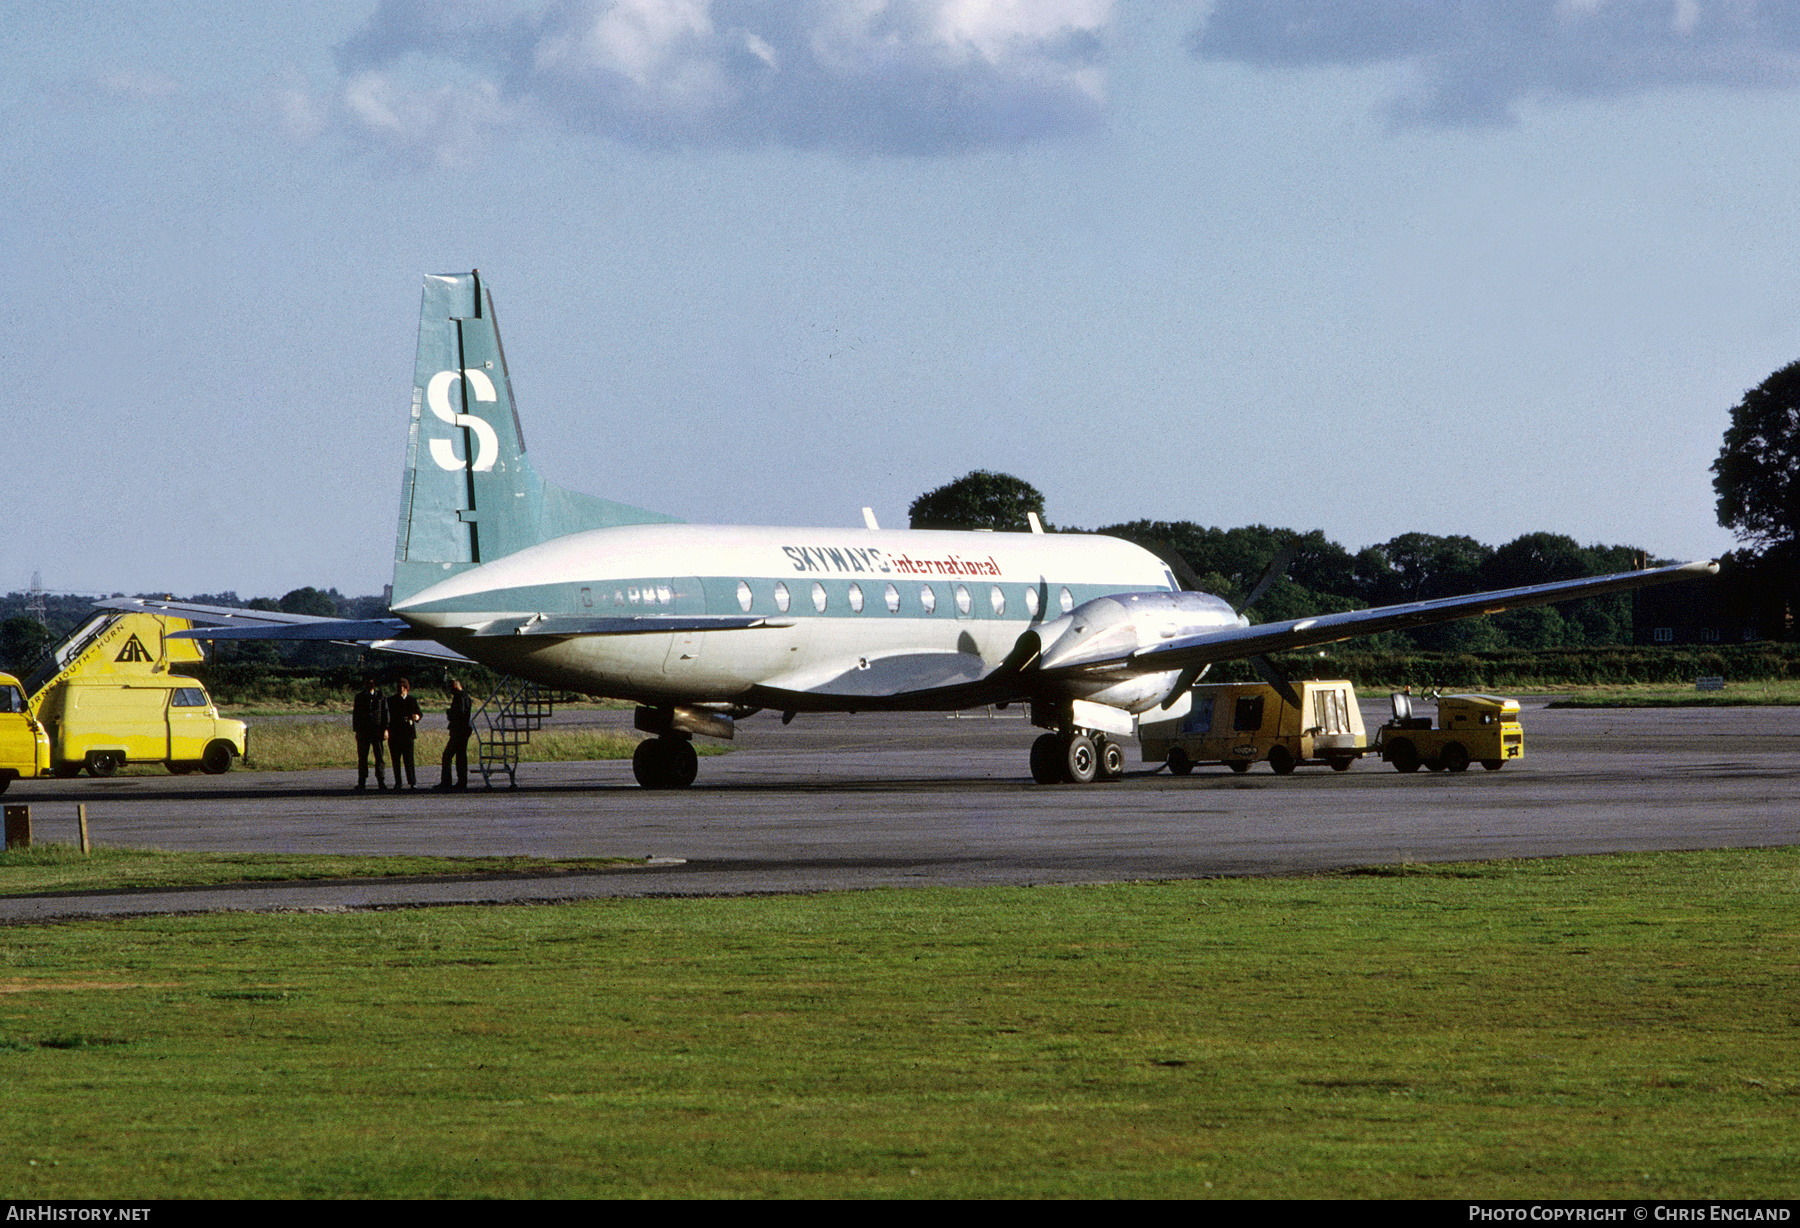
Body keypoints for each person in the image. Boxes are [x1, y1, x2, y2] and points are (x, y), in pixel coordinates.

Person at [351, 675, 390, 792]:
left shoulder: (381, 696)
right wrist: (356, 730)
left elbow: (385, 713)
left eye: (371, 683)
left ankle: (381, 781)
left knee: (379, 757)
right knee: (362, 758)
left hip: (377, 731)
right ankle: (361, 782)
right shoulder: (359, 697)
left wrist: (386, 729)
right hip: (363, 731)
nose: (369, 685)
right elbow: (356, 714)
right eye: (367, 683)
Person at [437, 678, 473, 790]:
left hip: (459, 731)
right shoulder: (467, 697)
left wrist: (451, 714)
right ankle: (462, 781)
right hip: (464, 730)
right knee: (461, 757)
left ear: (455, 686)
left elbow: (460, 713)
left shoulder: (459, 697)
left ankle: (446, 782)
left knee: (447, 755)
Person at [389, 677, 423, 790]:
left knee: (409, 759)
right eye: (398, 688)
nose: (400, 690)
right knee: (396, 760)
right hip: (395, 733)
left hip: (408, 733)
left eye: (402, 688)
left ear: (406, 689)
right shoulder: (391, 700)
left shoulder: (412, 700)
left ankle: (412, 781)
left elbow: (419, 712)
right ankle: (398, 782)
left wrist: (416, 716)